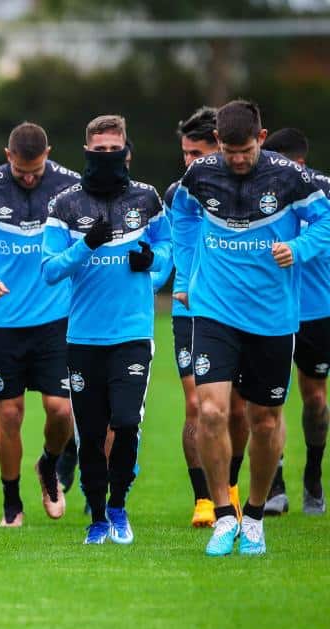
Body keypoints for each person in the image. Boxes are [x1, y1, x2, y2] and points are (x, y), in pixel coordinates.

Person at [171, 99, 330, 556]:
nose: (236, 159)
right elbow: (182, 215)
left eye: (244, 150)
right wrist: (186, 271)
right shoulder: (200, 174)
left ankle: (256, 516)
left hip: (272, 317)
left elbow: (324, 221)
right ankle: (223, 514)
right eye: (227, 150)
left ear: (261, 139)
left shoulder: (289, 177)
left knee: (264, 421)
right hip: (214, 310)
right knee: (212, 411)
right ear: (217, 143)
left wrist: (298, 248)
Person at [42, 114, 170, 545]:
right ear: (86, 153)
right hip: (83, 337)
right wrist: (85, 245)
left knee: (127, 422)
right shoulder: (64, 205)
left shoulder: (148, 199)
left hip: (132, 333)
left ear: (126, 152)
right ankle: (97, 517)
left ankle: (119, 505)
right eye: (98, 152)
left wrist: (152, 263)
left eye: (114, 151)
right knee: (92, 434)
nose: (107, 158)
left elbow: (170, 251)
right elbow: (49, 270)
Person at [0, 122, 79, 527]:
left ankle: (49, 465)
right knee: (10, 415)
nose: (29, 178)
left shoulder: (70, 188)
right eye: (21, 170)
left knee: (61, 410)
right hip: (5, 321)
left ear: (48, 153)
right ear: (8, 154)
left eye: (37, 169)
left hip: (57, 318)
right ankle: (11, 501)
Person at [261, 127, 330, 515]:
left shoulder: (324, 194)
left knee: (315, 397)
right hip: (270, 309)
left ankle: (314, 476)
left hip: (316, 311)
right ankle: (275, 486)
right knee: (268, 401)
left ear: (299, 164)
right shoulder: (263, 191)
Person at [163, 107, 221, 526]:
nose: (188, 162)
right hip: (188, 308)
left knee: (233, 410)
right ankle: (203, 498)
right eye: (184, 153)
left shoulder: (245, 193)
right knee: (196, 403)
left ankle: (230, 489)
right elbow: (171, 249)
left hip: (233, 309)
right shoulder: (176, 195)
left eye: (196, 153)